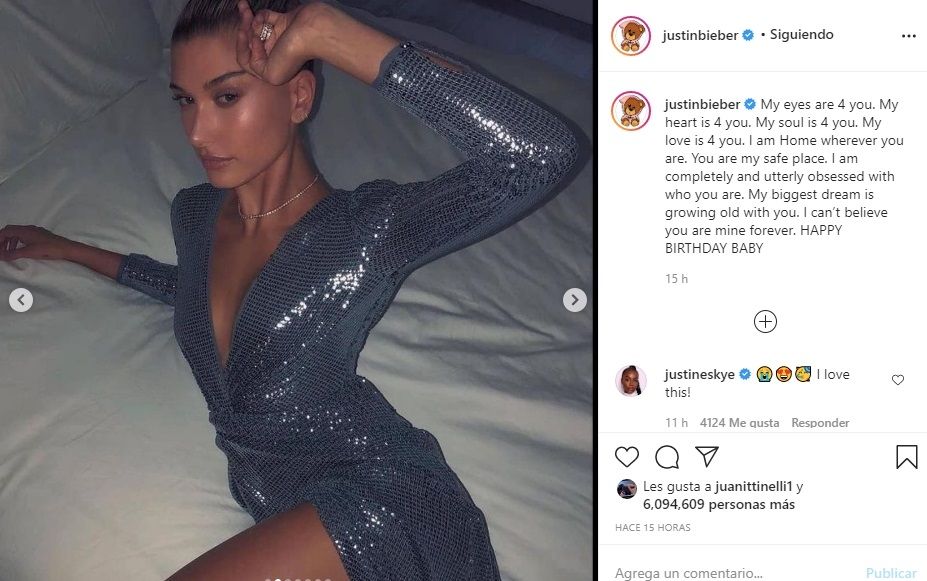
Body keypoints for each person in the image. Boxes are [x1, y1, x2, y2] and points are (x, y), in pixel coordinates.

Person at [0, 0, 579, 579]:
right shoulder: (194, 214)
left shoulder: (361, 231)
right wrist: (70, 249)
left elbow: (537, 155)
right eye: (185, 100)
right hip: (278, 503)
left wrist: (329, 33)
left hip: (378, 499)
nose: (198, 132)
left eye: (227, 96)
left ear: (299, 97)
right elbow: (197, 297)